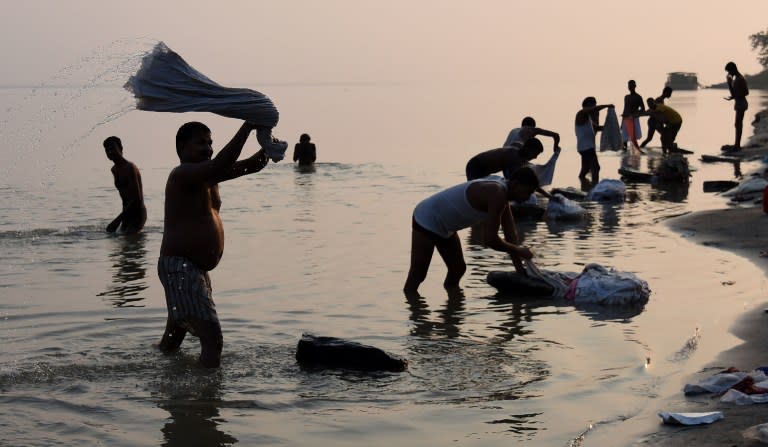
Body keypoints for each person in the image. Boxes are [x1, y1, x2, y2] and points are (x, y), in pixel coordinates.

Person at [157, 121, 270, 368]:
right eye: (201, 143)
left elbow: (251, 166)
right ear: (181, 147)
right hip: (181, 268)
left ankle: (156, 376)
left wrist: (268, 148)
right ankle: (206, 401)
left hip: (193, 270)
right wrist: (248, 126)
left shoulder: (208, 177)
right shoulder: (182, 174)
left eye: (210, 143)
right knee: (213, 340)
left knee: (174, 339)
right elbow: (221, 163)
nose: (208, 148)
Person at [403, 166, 539, 293]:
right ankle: (412, 311)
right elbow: (490, 240)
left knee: (457, 269)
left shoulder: (503, 194)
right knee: (418, 273)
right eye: (528, 191)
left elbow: (511, 235)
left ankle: (453, 308)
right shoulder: (497, 193)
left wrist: (520, 270)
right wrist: (518, 250)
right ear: (516, 184)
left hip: (446, 225)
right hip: (427, 218)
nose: (528, 198)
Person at [103, 136, 147, 234]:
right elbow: (124, 198)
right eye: (107, 150)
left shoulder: (130, 168)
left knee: (128, 239)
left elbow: (137, 200)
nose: (110, 152)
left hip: (138, 213)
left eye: (113, 149)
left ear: (121, 149)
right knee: (119, 239)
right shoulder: (114, 170)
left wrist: (117, 220)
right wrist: (122, 220)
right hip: (126, 212)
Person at [575, 97, 613, 183]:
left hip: (585, 147)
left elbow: (597, 128)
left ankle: (583, 185)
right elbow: (594, 109)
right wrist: (607, 106)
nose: (595, 106)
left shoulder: (588, 118)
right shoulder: (581, 113)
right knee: (596, 168)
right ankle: (594, 188)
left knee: (585, 169)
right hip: (586, 148)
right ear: (587, 105)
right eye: (593, 104)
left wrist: (612, 128)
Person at [724, 62, 749, 152]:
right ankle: (736, 144)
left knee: (738, 124)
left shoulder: (740, 79)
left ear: (733, 69)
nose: (728, 74)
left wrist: (729, 84)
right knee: (737, 124)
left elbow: (746, 92)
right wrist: (733, 96)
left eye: (729, 71)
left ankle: (737, 146)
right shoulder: (737, 79)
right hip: (739, 103)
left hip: (741, 104)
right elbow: (735, 94)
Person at [621, 80, 645, 150]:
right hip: (625, 118)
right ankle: (625, 152)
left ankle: (636, 151)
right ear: (628, 87)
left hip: (633, 118)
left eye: (632, 85)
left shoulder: (638, 97)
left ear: (635, 86)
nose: (630, 87)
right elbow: (625, 108)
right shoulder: (626, 97)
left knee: (633, 137)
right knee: (624, 138)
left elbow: (643, 108)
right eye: (629, 86)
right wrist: (622, 122)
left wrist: (635, 113)